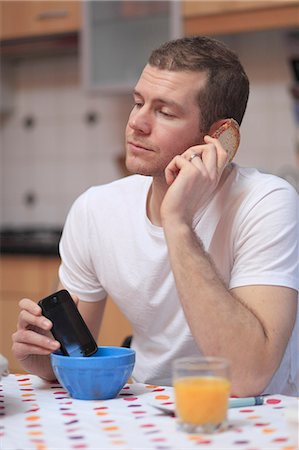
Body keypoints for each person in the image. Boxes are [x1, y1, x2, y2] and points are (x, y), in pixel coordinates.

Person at [12, 36, 298, 397]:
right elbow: (75, 356)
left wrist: (177, 222)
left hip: (256, 418)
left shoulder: (266, 202)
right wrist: (44, 358)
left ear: (220, 137)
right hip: (148, 407)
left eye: (165, 111)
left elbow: (246, 377)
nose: (137, 124)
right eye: (138, 103)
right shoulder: (96, 210)